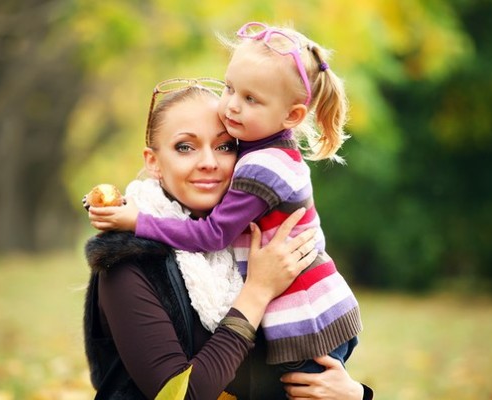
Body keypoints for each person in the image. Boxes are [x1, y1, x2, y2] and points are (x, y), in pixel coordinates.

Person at [92, 21, 362, 376]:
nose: (232, 107)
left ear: (292, 115)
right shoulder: (130, 264)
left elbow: (213, 234)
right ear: (152, 161)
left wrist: (138, 221)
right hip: (319, 312)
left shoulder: (261, 167)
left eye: (224, 147)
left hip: (308, 322)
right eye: (230, 89)